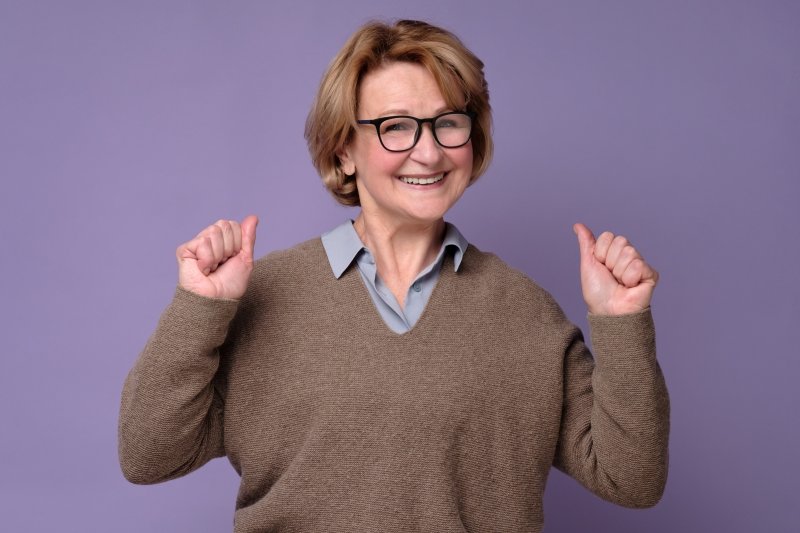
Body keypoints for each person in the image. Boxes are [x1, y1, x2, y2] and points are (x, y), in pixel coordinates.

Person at [119, 19, 669, 532]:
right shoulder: (260, 296)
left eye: (449, 123)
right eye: (396, 127)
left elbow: (632, 479)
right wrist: (199, 308)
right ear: (344, 151)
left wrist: (621, 323)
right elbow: (147, 455)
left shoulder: (526, 313)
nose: (428, 153)